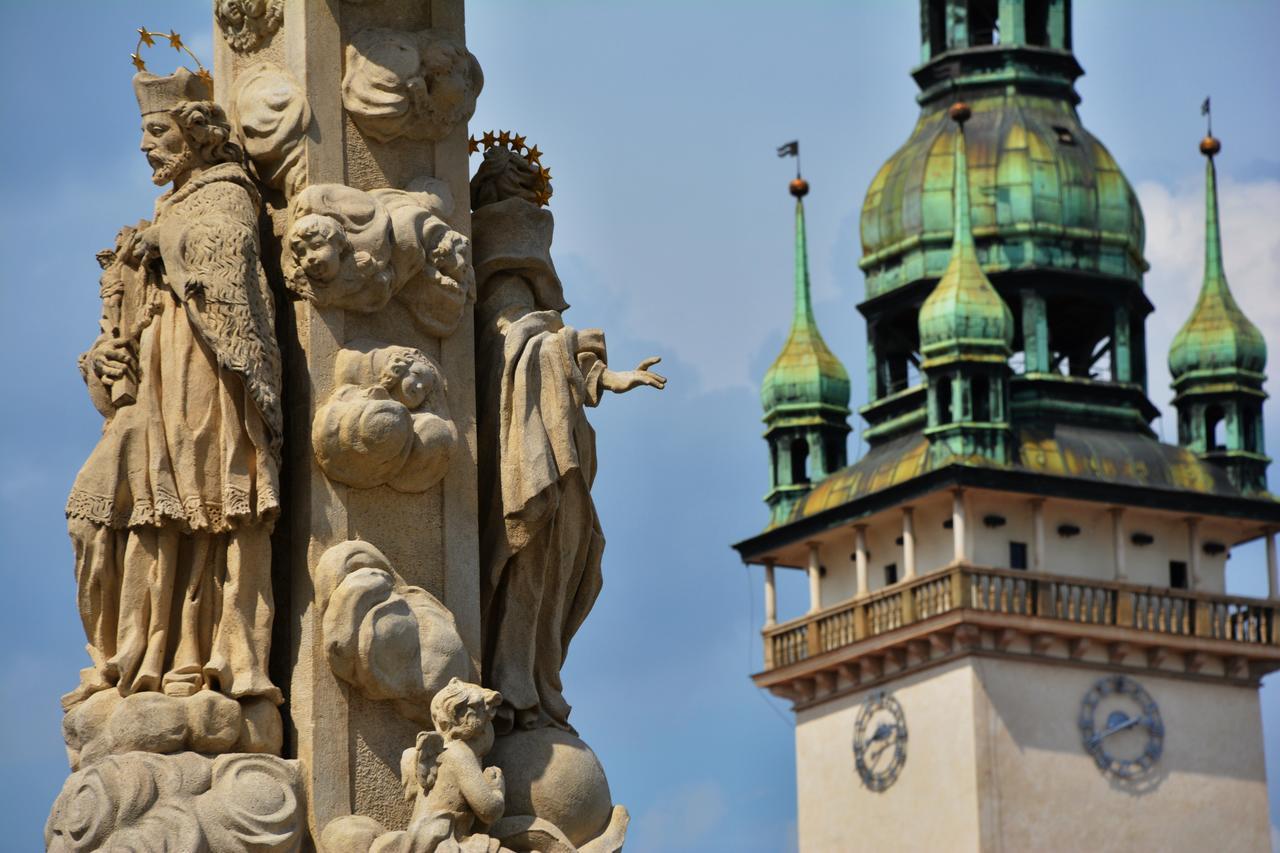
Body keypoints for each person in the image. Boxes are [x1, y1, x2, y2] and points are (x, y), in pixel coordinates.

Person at [65, 68, 283, 715]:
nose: (145, 147)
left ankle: (191, 651)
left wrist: (167, 242)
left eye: (157, 131)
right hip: (152, 394)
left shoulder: (226, 191)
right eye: (145, 133)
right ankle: (126, 651)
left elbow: (231, 255)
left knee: (205, 512)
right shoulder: (166, 210)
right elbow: (127, 340)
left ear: (195, 137)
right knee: (95, 512)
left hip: (205, 383)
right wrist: (102, 358)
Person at [471, 148, 665, 734]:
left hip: (553, 424)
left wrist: (594, 370)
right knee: (529, 553)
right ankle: (513, 680)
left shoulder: (523, 260)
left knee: (565, 556)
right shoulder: (495, 248)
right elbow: (504, 341)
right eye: (518, 182)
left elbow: (536, 339)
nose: (531, 195)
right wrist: (571, 349)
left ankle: (530, 677)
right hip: (519, 428)